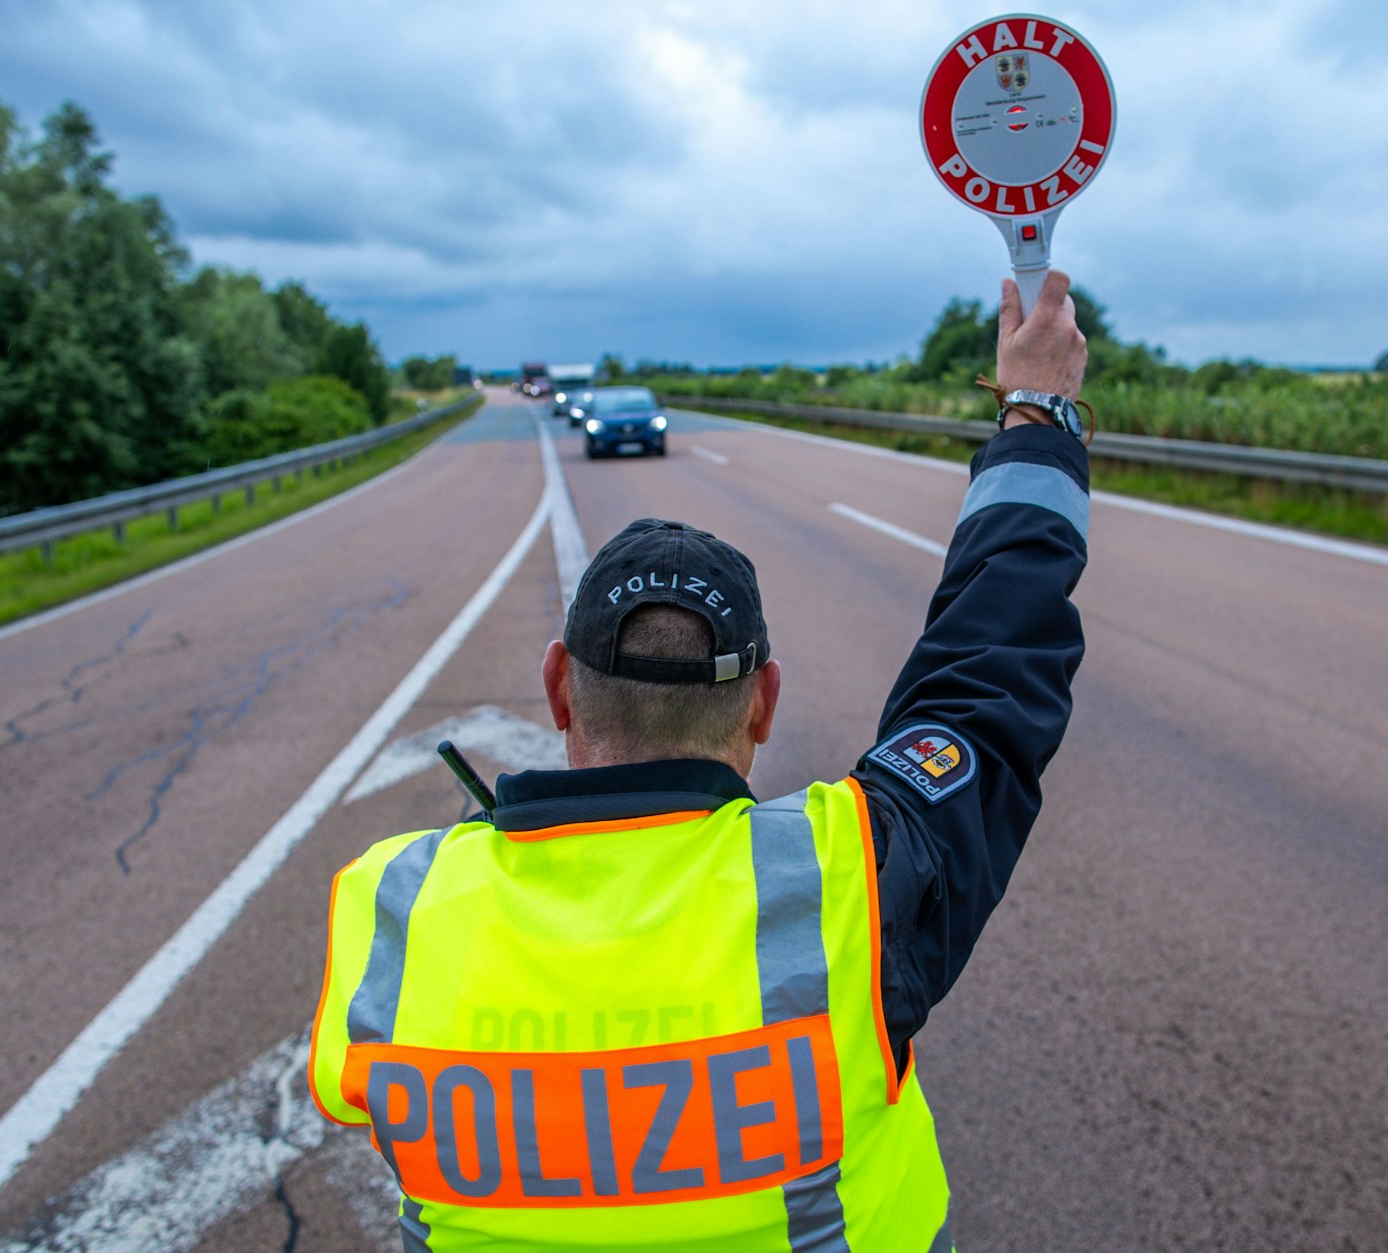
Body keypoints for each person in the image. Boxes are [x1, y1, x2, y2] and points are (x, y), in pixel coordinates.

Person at [309, 271, 1091, 1252]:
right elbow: (989, 670)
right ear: (762, 704)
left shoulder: (396, 909)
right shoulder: (848, 874)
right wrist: (1037, 408)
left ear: (558, 689)